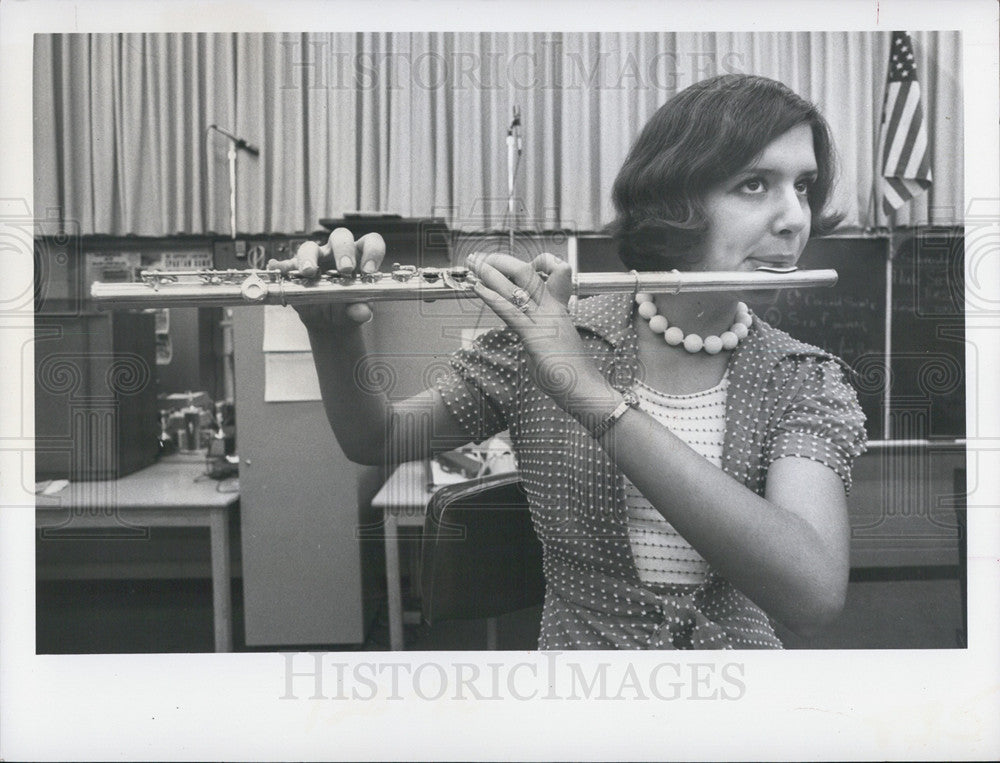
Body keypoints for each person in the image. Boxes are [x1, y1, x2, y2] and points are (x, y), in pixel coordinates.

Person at [274, 73, 867, 650]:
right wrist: (332, 333)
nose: (794, 218)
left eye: (805, 187)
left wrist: (586, 389)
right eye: (755, 185)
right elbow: (375, 438)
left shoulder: (803, 377)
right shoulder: (555, 331)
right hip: (580, 689)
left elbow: (811, 596)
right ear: (675, 200)